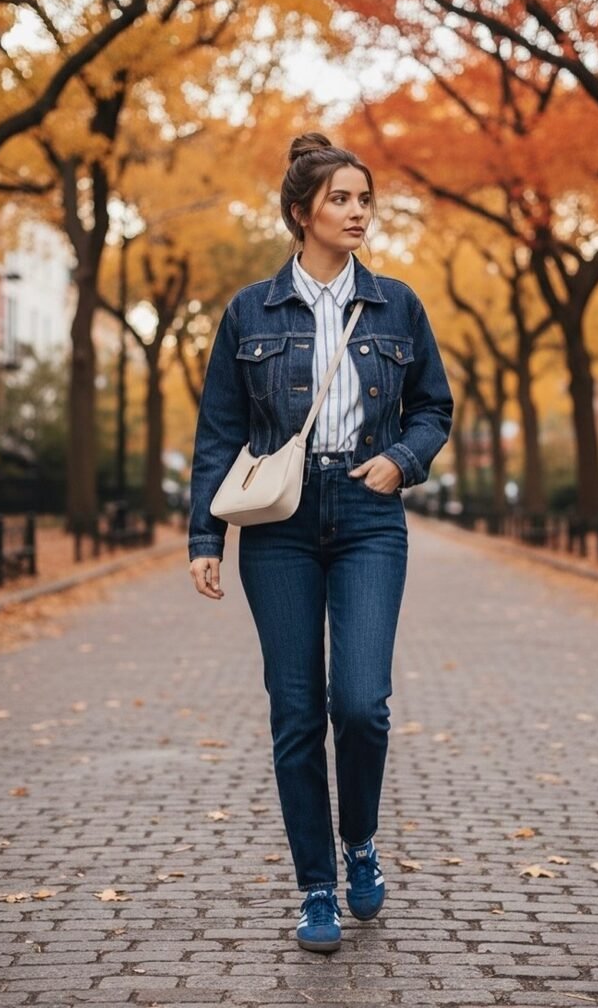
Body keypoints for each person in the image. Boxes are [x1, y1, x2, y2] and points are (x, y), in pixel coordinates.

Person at [188, 132, 453, 953]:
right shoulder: (249, 311)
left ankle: (360, 840)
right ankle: (316, 888)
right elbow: (220, 430)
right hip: (280, 524)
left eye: (364, 199)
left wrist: (403, 460)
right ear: (302, 212)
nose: (358, 212)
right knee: (297, 711)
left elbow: (433, 407)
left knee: (361, 705)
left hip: (369, 513)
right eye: (341, 199)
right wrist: (205, 535)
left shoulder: (397, 305)